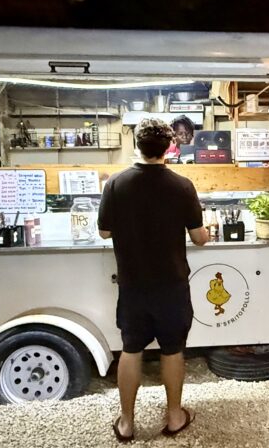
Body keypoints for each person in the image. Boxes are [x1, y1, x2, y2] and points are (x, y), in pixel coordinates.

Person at [98, 118, 209, 442]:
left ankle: (127, 423)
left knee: (131, 349)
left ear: (137, 145)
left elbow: (104, 231)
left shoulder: (116, 184)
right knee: (172, 350)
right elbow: (199, 237)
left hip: (133, 285)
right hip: (172, 283)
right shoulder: (182, 186)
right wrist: (208, 233)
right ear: (169, 148)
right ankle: (174, 417)